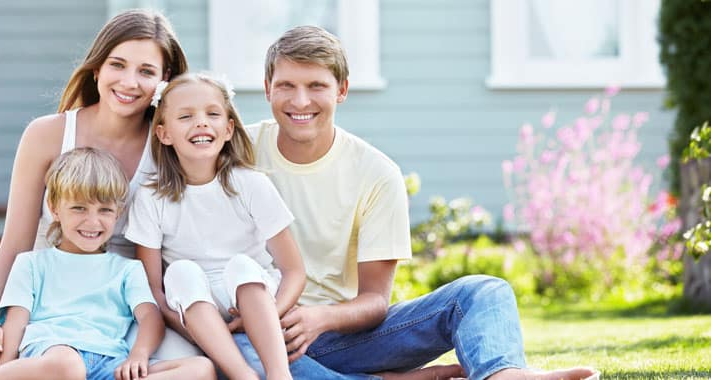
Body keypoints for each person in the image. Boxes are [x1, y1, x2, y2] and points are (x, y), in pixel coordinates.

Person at [234, 26, 600, 380]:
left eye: (316, 86)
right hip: (256, 335)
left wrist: (321, 318)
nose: (300, 101)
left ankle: (500, 374)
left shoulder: (376, 173)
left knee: (484, 291)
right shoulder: (233, 153)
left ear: (341, 90)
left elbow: (375, 300)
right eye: (286, 86)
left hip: (341, 339)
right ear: (268, 89)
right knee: (232, 352)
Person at [0, 9, 202, 379]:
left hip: (124, 304)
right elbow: (14, 245)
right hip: (48, 302)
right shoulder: (47, 134)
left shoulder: (169, 143)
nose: (129, 82)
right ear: (97, 69)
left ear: (164, 80)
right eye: (117, 65)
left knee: (200, 370)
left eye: (146, 71)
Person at [124, 72, 306, 380]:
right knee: (180, 272)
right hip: (195, 306)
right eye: (185, 116)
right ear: (163, 133)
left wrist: (267, 317)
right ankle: (242, 376)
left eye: (212, 114)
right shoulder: (151, 198)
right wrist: (192, 330)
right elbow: (154, 289)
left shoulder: (250, 184)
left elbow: (294, 271)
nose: (201, 123)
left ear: (228, 129)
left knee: (241, 265)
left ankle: (279, 374)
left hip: (254, 296)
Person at [0, 147, 213, 380]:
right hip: (53, 355)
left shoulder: (127, 269)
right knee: (69, 366)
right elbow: (16, 323)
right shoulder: (31, 264)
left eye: (105, 210)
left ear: (118, 213)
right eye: (79, 208)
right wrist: (4, 369)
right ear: (55, 208)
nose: (93, 221)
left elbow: (151, 319)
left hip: (111, 362)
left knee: (201, 369)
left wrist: (138, 355)